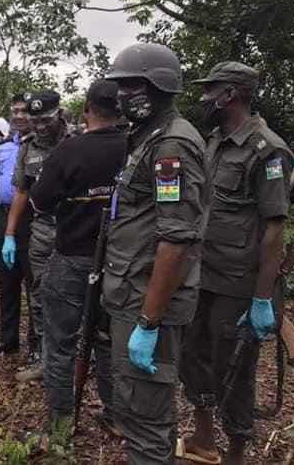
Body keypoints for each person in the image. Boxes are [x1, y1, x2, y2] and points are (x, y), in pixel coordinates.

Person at [179, 62, 293, 465]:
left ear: (229, 95)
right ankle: (203, 439)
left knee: (234, 371)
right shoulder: (214, 141)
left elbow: (274, 229)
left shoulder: (268, 150)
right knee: (193, 357)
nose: (203, 99)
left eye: (209, 91)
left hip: (238, 283)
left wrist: (261, 298)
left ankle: (237, 453)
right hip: (202, 273)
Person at [101, 43, 207, 465]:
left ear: (158, 87)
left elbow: (176, 239)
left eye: (130, 86)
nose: (121, 95)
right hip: (131, 290)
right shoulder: (147, 138)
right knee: (136, 410)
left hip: (147, 300)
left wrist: (149, 321)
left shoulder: (171, 146)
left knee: (146, 416)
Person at [28, 79, 128, 440]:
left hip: (72, 258)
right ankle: (116, 415)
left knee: (59, 344)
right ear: (121, 109)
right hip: (120, 262)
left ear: (86, 109)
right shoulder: (135, 147)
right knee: (107, 339)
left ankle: (60, 425)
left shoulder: (69, 151)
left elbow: (39, 201)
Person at [3, 90, 71, 381]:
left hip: (75, 231)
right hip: (42, 230)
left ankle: (75, 360)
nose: (40, 126)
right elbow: (22, 191)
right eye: (35, 121)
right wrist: (9, 233)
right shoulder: (28, 147)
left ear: (60, 114)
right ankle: (45, 360)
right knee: (40, 294)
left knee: (74, 295)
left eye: (46, 120)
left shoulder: (78, 142)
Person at [0, 95, 35, 359]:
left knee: (35, 285)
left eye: (24, 111)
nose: (19, 116)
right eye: (15, 111)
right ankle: (8, 340)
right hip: (4, 218)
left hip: (33, 220)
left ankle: (36, 346)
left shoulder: (43, 146)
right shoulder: (2, 148)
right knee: (7, 282)